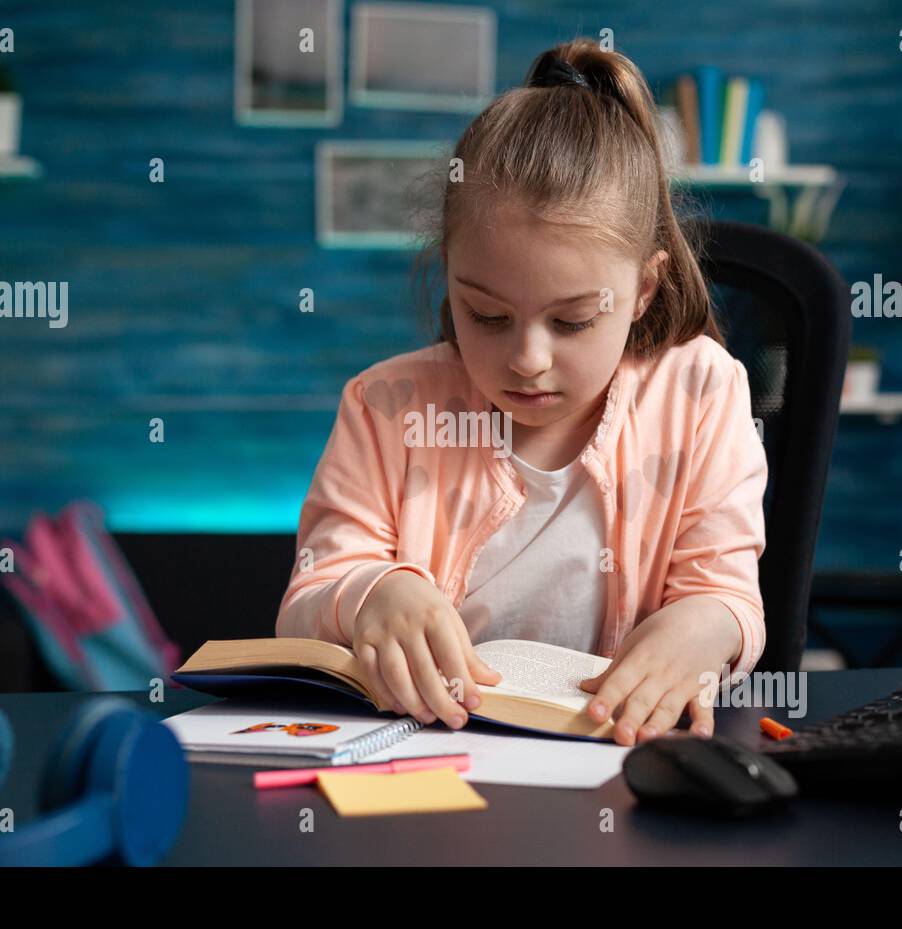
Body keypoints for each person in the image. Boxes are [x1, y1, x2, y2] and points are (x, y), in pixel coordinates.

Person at [277, 39, 767, 746]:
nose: (528, 359)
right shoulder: (386, 406)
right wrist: (371, 594)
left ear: (643, 290)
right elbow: (305, 603)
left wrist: (701, 627)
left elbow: (727, 595)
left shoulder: (701, 391)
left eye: (572, 320)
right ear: (450, 275)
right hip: (426, 761)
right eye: (488, 316)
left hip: (619, 758)